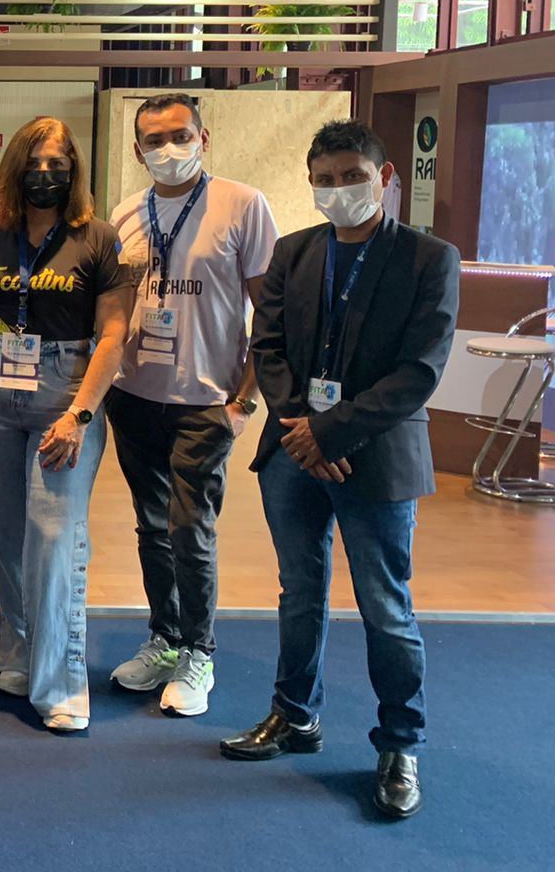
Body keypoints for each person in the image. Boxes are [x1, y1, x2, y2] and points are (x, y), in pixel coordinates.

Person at [222, 119, 459, 821]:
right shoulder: (294, 252)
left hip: (373, 459)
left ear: (384, 178)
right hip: (294, 454)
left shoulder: (429, 259)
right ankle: (294, 715)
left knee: (385, 607)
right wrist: (302, 429)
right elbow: (267, 347)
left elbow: (419, 371)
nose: (337, 190)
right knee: (299, 592)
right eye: (323, 180)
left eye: (351, 177)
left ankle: (400, 744)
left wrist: (329, 432)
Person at [104, 93, 279, 718]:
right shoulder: (126, 213)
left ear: (204, 139)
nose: (168, 149)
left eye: (180, 135)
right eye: (154, 140)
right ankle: (165, 638)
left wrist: (244, 403)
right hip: (135, 395)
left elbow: (271, 315)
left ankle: (199, 651)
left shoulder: (243, 205)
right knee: (152, 526)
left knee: (190, 528)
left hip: (206, 401)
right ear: (137, 151)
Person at [0, 117, 132, 731]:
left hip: (66, 392)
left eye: (57, 163)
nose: (44, 173)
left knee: (55, 536)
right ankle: (19, 650)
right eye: (34, 162)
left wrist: (80, 415)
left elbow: (113, 334)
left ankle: (61, 683)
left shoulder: (98, 238)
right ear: (15, 168)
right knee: (6, 533)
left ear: (74, 170)